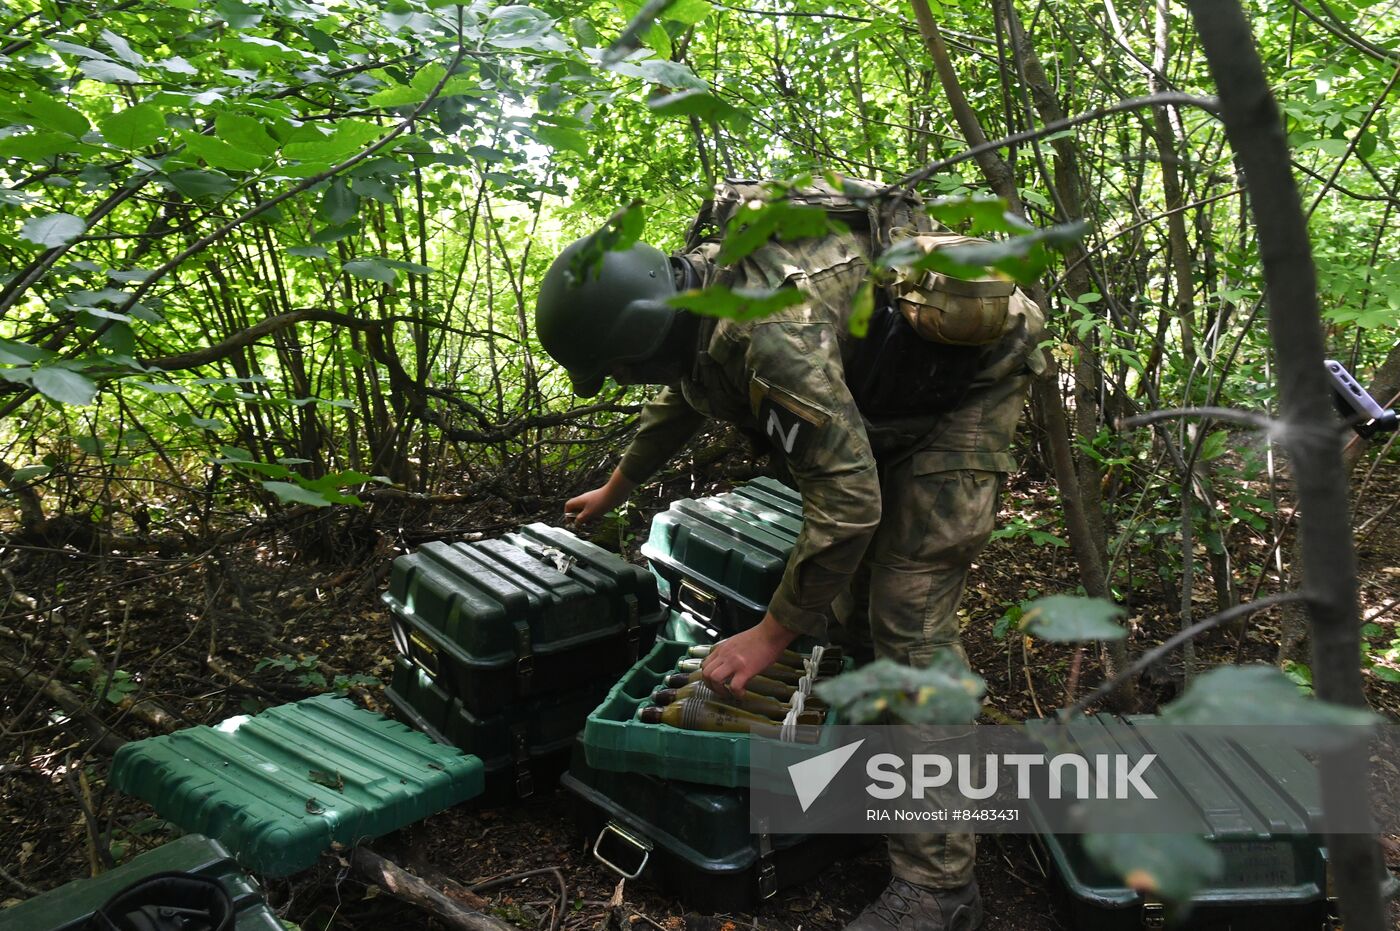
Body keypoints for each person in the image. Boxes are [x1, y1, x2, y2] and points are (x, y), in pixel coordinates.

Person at [534, 180, 1043, 931]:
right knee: (847, 607)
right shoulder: (698, 298)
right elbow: (686, 390)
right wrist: (619, 484)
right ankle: (886, 784)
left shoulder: (767, 331)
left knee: (908, 621)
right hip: (886, 393)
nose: (622, 378)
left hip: (966, 394)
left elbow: (849, 504)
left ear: (637, 338)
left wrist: (768, 635)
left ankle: (938, 887)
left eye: (615, 366)